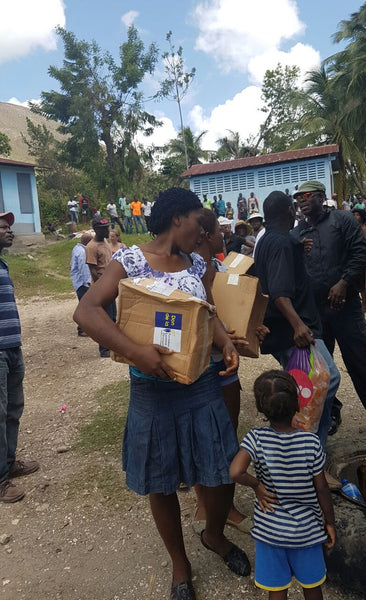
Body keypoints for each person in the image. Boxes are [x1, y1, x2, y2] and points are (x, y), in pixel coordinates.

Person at [73, 188, 251, 600]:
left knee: (221, 469)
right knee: (161, 480)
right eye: (197, 222)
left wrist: (223, 340)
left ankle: (215, 536)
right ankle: (180, 563)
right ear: (177, 218)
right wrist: (135, 351)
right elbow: (86, 311)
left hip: (201, 385)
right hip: (153, 392)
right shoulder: (130, 261)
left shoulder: (196, 262)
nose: (202, 230)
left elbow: (208, 311)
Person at [293, 181, 366, 438]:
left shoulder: (342, 220)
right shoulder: (298, 231)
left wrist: (343, 283)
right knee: (322, 369)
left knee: (362, 361)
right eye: (298, 199)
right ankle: (331, 413)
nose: (302, 201)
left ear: (321, 197)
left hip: (346, 307)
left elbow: (361, 253)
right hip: (317, 313)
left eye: (306, 196)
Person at [230, 370, 336, 600]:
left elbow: (235, 471)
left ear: (261, 408)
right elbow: (321, 488)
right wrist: (330, 522)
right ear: (297, 402)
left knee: (277, 590)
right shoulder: (310, 441)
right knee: (312, 587)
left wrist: (256, 485)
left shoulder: (255, 438)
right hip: (307, 532)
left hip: (270, 533)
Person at [254, 191, 340, 450]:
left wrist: (296, 248)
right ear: (290, 212)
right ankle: (306, 448)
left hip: (282, 331)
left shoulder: (269, 240)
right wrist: (298, 325)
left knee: (305, 385)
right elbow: (279, 293)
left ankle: (311, 447)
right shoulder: (280, 243)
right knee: (324, 381)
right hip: (294, 330)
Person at [192, 208, 252, 535]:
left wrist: (248, 329)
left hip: (225, 357)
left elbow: (223, 312)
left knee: (224, 432)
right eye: (218, 230)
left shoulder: (217, 265)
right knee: (220, 436)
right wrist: (226, 336)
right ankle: (220, 506)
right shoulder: (195, 268)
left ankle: (211, 502)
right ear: (204, 233)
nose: (223, 234)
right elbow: (202, 317)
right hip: (211, 362)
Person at [0, 212, 39, 503]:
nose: (9, 231)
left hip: (12, 349)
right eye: (3, 227)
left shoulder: (2, 264)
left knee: (13, 408)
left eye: (10, 227)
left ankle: (9, 462)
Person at [85, 217, 116, 358]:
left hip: (110, 286)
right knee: (104, 319)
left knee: (113, 318)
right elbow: (93, 270)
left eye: (107, 228)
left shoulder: (104, 242)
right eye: (104, 229)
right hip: (102, 288)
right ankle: (104, 349)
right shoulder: (91, 247)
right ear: (97, 230)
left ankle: (113, 345)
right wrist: (101, 287)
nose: (107, 231)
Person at [70, 232, 93, 337]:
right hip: (82, 283)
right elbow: (84, 270)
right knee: (85, 306)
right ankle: (82, 329)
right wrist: (89, 283)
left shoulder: (77, 248)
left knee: (84, 305)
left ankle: (84, 328)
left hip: (78, 282)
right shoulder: (82, 252)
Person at [352, 207, 366, 312]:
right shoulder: (354, 228)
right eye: (354, 215)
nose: (356, 217)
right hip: (357, 256)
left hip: (364, 256)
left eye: (358, 215)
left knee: (364, 283)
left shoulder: (363, 228)